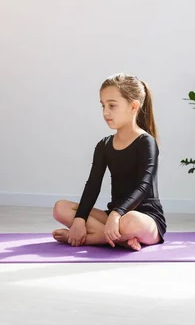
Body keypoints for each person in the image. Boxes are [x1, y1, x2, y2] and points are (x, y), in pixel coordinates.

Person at [52, 73, 167, 251]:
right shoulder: (104, 145)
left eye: (112, 105)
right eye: (103, 105)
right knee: (61, 208)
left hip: (144, 219)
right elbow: (93, 185)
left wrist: (117, 214)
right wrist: (80, 219)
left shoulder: (146, 142)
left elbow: (143, 187)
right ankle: (120, 240)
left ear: (133, 106)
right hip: (114, 217)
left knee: (129, 221)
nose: (105, 112)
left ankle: (90, 239)